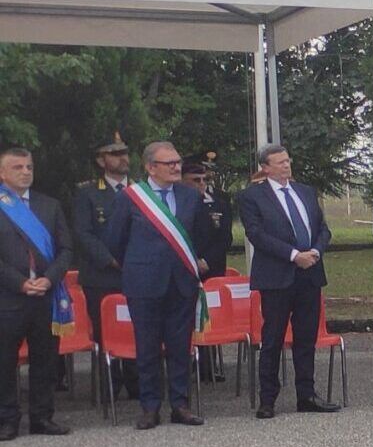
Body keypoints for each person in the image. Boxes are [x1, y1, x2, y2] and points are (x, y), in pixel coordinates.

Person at [105, 141, 216, 428]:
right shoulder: (131, 198)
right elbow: (115, 241)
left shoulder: (189, 196)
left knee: (181, 347)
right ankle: (149, 407)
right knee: (148, 347)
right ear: (150, 167)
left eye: (177, 162)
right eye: (169, 163)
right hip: (144, 283)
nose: (176, 167)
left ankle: (180, 405)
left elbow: (201, 234)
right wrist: (140, 264)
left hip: (181, 283)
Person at [234, 144, 339, 418]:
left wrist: (315, 251)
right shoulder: (252, 196)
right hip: (277, 277)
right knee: (273, 338)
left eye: (287, 161)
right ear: (265, 168)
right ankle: (267, 398)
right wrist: (294, 256)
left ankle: (306, 395)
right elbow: (256, 235)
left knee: (306, 338)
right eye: (279, 162)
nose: (286, 166)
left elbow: (322, 228)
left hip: (310, 274)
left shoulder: (305, 192)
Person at [0, 147, 74, 439]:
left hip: (45, 295)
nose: (25, 172)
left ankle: (42, 417)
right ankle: (7, 419)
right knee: (5, 361)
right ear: (3, 173)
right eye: (18, 167)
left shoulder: (49, 205)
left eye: (29, 167)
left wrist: (49, 279)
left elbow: (66, 249)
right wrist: (19, 282)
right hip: (9, 297)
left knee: (45, 360)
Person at [70, 135, 134, 398]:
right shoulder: (87, 192)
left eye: (125, 152)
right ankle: (109, 385)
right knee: (105, 330)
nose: (123, 158)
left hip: (136, 272)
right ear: (101, 160)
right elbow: (83, 233)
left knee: (135, 326)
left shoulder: (140, 190)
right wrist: (110, 260)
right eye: (115, 153)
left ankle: (137, 381)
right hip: (102, 275)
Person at [182, 154, 234, 383]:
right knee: (185, 316)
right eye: (195, 180)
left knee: (209, 316)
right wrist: (193, 260)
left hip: (212, 269)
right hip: (185, 267)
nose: (201, 184)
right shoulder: (176, 204)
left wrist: (207, 261)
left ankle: (208, 365)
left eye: (204, 179)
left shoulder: (219, 203)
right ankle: (185, 363)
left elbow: (225, 238)